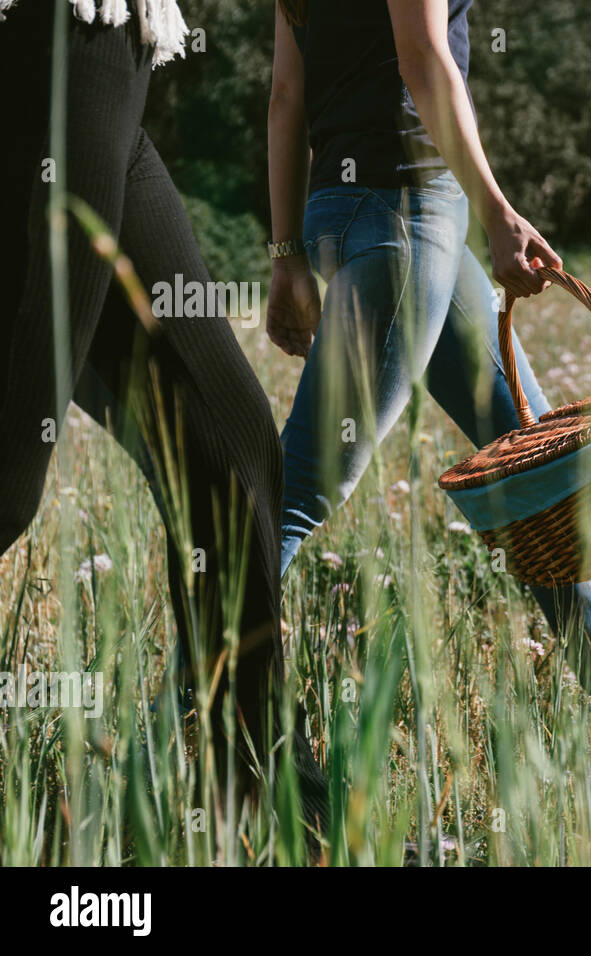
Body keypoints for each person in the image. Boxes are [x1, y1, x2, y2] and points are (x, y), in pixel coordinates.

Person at [0, 0, 329, 836]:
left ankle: (260, 799)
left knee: (230, 447)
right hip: (57, 44)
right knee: (6, 483)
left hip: (115, 52)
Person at [266, 0, 591, 696]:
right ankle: (178, 724)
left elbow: (286, 98)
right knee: (300, 491)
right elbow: (424, 57)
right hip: (408, 216)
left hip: (346, 214)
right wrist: (499, 213)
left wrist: (287, 253)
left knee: (530, 463)